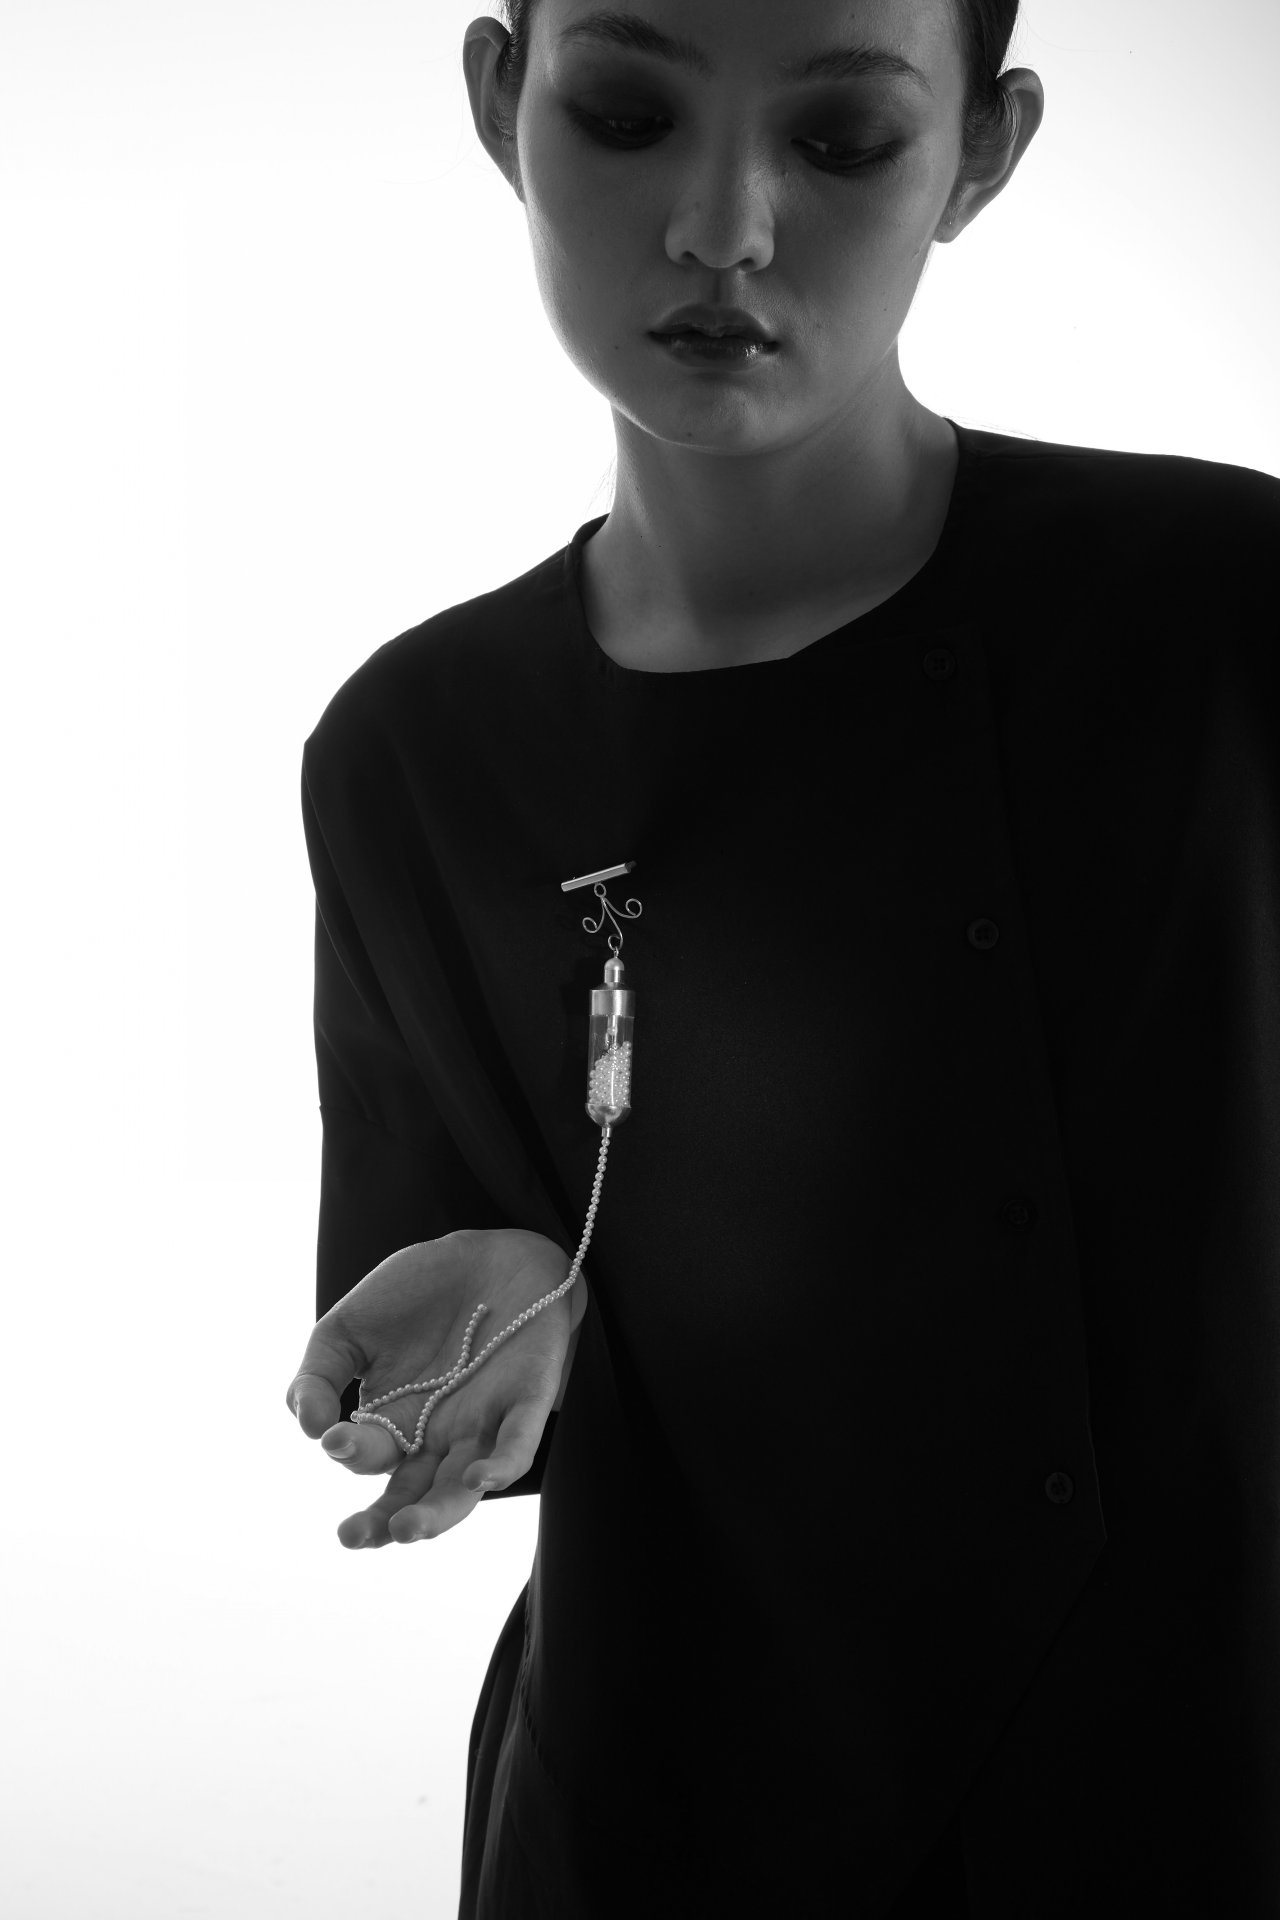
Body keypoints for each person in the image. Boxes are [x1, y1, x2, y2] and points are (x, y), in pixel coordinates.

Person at [285, 2, 1280, 1914]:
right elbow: (460, 1322)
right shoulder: (416, 748)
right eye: (628, 112)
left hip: (1205, 1773)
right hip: (672, 1809)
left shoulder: (1224, 616)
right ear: (502, 102)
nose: (722, 226)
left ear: (979, 153)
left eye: (837, 142)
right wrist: (503, 1308)